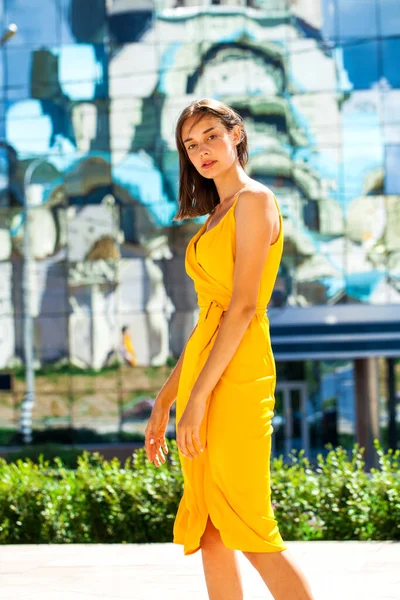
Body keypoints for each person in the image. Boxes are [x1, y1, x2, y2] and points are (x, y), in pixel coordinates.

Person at [144, 98, 315, 600]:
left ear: (236, 134)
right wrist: (166, 396)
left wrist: (198, 397)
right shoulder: (213, 216)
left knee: (247, 521)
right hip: (206, 364)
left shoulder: (256, 202)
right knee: (211, 527)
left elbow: (241, 308)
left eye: (210, 136)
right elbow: (206, 321)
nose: (202, 151)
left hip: (238, 373)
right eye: (191, 145)